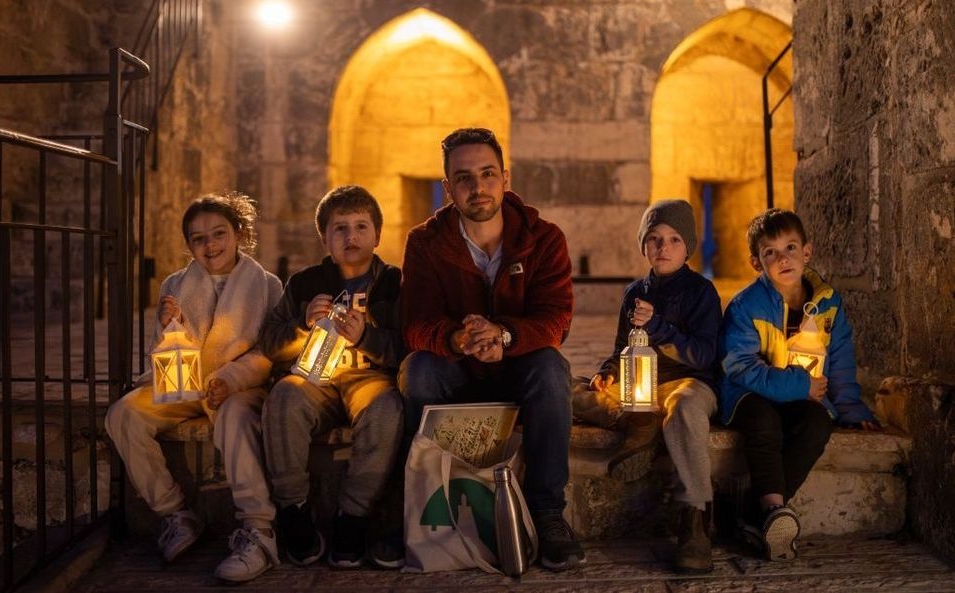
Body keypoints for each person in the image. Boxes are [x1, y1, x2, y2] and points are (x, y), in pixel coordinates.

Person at [398, 127, 583, 571]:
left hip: (517, 364)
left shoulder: (545, 238)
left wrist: (503, 336)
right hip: (456, 366)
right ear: (447, 188)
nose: (477, 187)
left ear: (505, 177)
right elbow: (415, 322)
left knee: (552, 367)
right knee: (417, 370)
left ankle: (548, 511)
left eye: (486, 174)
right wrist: (457, 339)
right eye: (463, 178)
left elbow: (556, 317)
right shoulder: (425, 242)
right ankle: (414, 503)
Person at [105, 192, 283, 582]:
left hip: (236, 387)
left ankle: (259, 529)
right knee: (124, 415)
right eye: (198, 238)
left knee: (235, 420)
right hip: (184, 385)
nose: (210, 245)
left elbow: (269, 353)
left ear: (239, 234)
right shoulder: (175, 284)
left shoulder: (267, 286)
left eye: (219, 233)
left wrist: (229, 379)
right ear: (188, 244)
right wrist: (172, 326)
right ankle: (176, 514)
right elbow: (165, 351)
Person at [720, 208, 879, 562]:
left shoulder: (828, 304)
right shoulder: (747, 306)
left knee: (817, 423)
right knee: (763, 422)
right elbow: (740, 367)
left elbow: (839, 360)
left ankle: (756, 514)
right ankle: (774, 506)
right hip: (748, 394)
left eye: (790, 247)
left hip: (800, 396)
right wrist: (798, 385)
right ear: (756, 263)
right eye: (770, 252)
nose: (783, 258)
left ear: (807, 252)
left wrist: (850, 409)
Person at [259, 185, 404, 569]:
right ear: (324, 237)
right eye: (340, 228)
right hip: (314, 379)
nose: (351, 236)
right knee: (284, 397)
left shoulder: (394, 283)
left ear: (377, 234)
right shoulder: (305, 283)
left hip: (367, 380)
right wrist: (303, 326)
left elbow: (406, 347)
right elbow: (271, 342)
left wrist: (367, 337)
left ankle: (352, 518)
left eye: (360, 227)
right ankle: (293, 510)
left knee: (387, 410)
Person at [587, 199, 721, 573]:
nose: (663, 248)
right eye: (655, 238)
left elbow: (704, 355)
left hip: (689, 383)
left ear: (688, 247)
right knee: (574, 390)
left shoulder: (701, 292)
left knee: (684, 407)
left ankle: (694, 518)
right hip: (641, 382)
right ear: (643, 244)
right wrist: (609, 370)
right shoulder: (633, 292)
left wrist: (659, 327)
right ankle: (640, 422)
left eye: (675, 240)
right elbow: (621, 346)